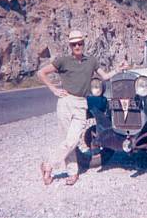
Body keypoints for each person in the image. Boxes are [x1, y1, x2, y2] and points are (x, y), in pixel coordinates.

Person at [38, 30, 128, 186]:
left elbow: (105, 76)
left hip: (81, 104)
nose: (77, 46)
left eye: (80, 43)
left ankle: (48, 165)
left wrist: (118, 69)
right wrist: (54, 89)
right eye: (74, 44)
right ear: (70, 45)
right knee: (67, 140)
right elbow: (41, 73)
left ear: (83, 44)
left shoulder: (91, 61)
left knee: (72, 140)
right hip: (65, 102)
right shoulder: (63, 61)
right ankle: (72, 173)